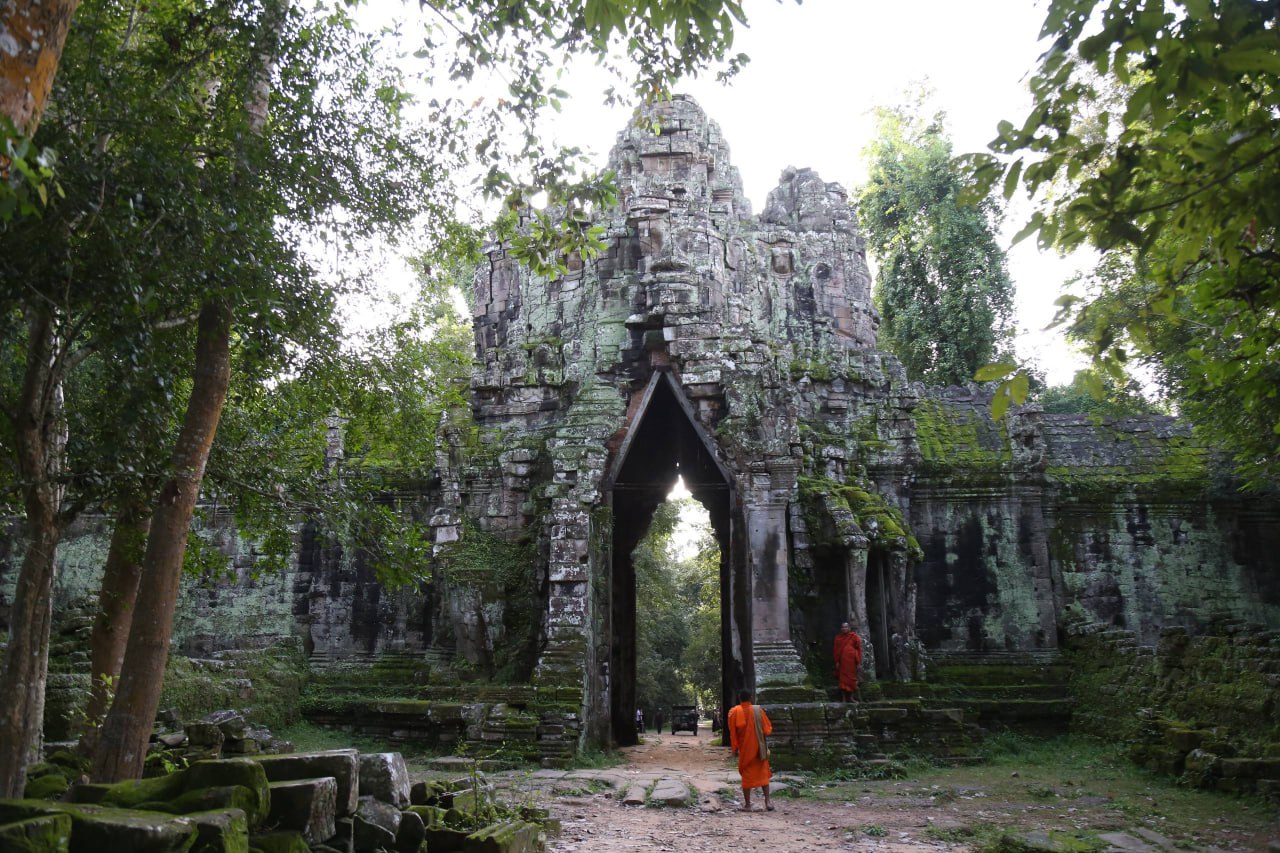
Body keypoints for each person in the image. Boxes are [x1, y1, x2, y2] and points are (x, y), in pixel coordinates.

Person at [727, 689, 773, 811]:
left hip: (746, 750)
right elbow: (767, 730)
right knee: (763, 774)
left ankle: (748, 805)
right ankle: (768, 802)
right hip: (759, 749)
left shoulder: (734, 712)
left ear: (739, 698)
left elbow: (733, 733)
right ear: (751, 698)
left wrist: (734, 749)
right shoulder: (758, 710)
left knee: (747, 776)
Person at [833, 621, 863, 702]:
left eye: (846, 627)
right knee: (843, 680)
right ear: (840, 629)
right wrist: (837, 661)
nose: (844, 629)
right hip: (842, 663)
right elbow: (836, 651)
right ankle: (843, 698)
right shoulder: (838, 638)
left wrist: (858, 662)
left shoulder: (854, 636)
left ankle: (851, 698)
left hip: (852, 663)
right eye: (843, 627)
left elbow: (858, 649)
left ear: (849, 628)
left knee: (852, 680)